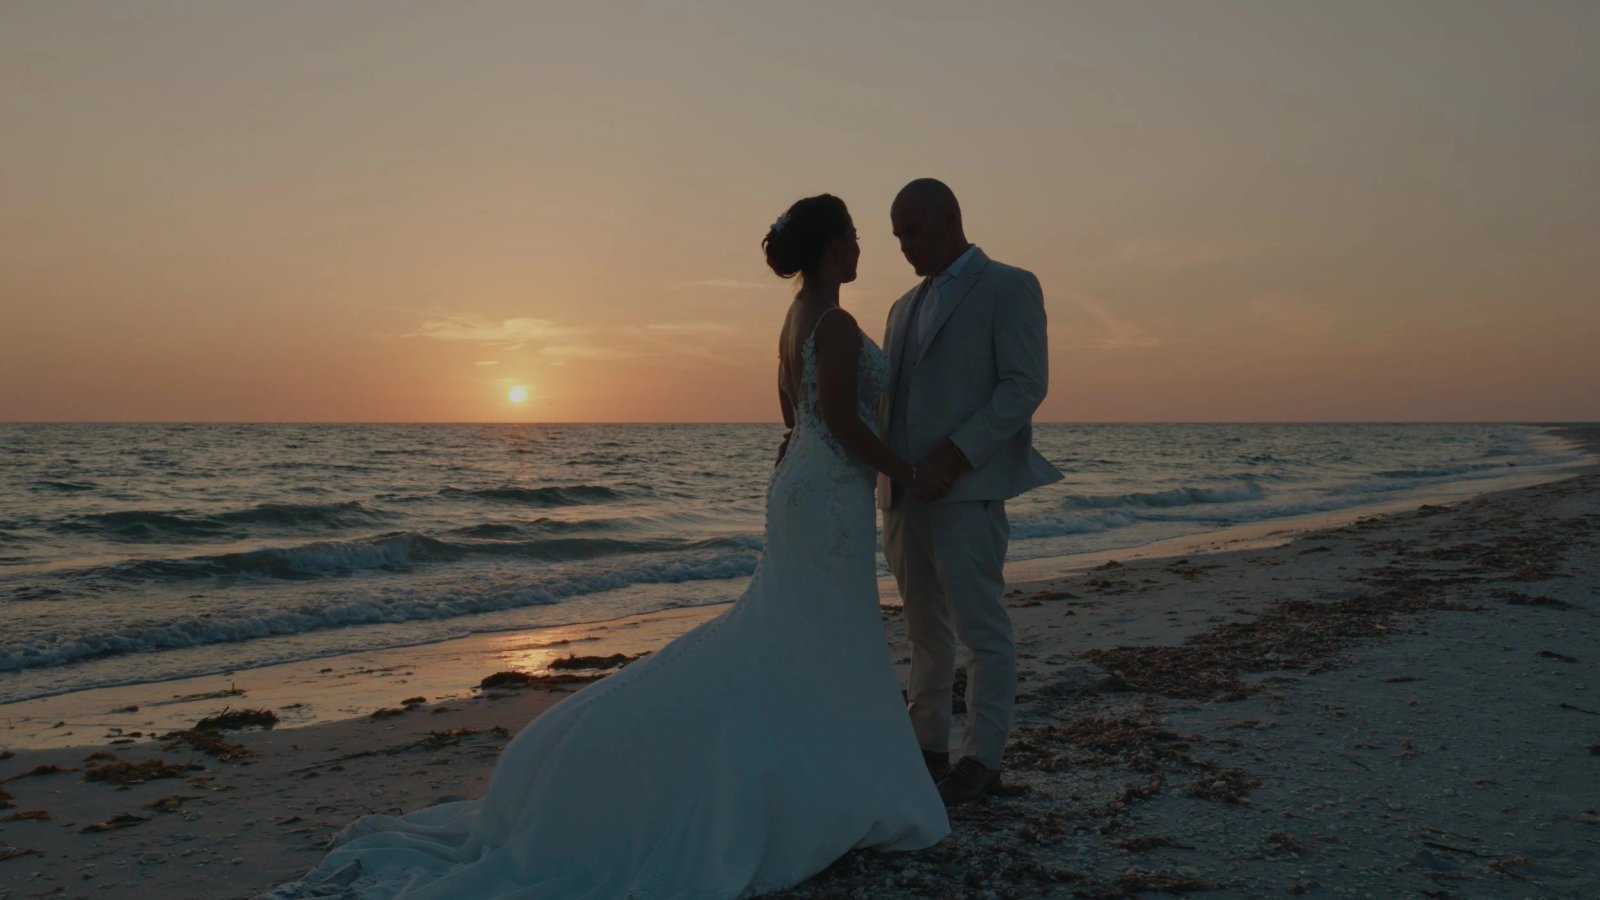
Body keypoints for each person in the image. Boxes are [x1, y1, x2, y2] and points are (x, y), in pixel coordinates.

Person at [262, 194, 948, 899]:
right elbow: (839, 422)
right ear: (832, 245)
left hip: (804, 487)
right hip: (827, 495)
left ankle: (823, 780)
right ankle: (820, 785)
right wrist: (908, 471)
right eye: (854, 236)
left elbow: (794, 418)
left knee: (800, 633)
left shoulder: (794, 318)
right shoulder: (835, 322)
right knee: (814, 632)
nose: (861, 248)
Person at [878, 178, 1062, 805]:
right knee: (923, 630)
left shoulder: (1009, 285)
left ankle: (982, 759)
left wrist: (955, 455)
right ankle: (926, 748)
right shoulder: (901, 307)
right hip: (902, 495)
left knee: (982, 629)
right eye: (897, 235)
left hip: (967, 489)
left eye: (913, 230)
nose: (904, 245)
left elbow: (1024, 384)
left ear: (951, 218)